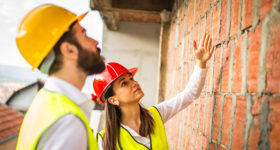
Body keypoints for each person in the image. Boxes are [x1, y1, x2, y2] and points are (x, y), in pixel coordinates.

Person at [92, 33, 214, 150]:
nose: (134, 83)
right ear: (113, 100)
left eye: (131, 78)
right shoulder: (103, 141)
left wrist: (201, 63)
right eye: (124, 83)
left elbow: (189, 94)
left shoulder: (156, 115)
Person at [16, 4, 105, 150]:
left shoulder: (45, 102)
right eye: (84, 34)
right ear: (69, 50)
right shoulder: (68, 122)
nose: (95, 42)